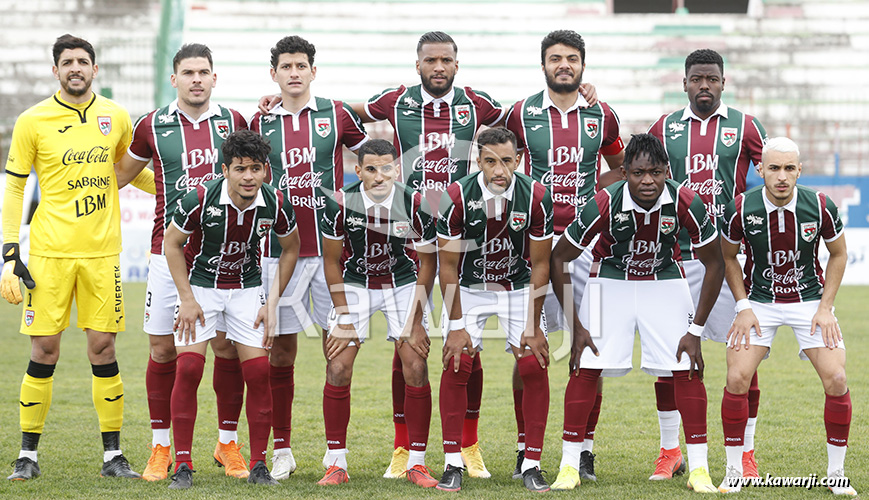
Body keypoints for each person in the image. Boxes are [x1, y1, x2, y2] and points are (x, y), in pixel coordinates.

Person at [1, 34, 145, 481]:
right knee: (45, 350)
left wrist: (177, 189)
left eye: (83, 61)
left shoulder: (117, 117)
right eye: (68, 62)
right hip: (48, 255)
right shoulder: (32, 120)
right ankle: (28, 456)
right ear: (56, 70)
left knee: (103, 349)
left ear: (95, 69)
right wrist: (10, 252)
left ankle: (113, 456)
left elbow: (130, 173)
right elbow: (15, 185)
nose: (76, 68)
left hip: (103, 255)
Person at [550, 133, 723, 493]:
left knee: (686, 366)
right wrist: (575, 325)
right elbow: (559, 257)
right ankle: (568, 466)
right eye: (640, 172)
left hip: (664, 280)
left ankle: (700, 469)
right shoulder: (603, 203)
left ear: (667, 172)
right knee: (585, 366)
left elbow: (715, 263)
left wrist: (697, 329)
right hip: (611, 279)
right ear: (624, 171)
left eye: (657, 173)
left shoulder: (686, 201)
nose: (648, 181)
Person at [114, 43, 251, 481]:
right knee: (162, 349)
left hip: (223, 254)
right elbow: (119, 174)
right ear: (174, 79)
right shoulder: (151, 125)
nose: (196, 79)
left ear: (214, 78)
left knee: (227, 348)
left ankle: (227, 442)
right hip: (165, 252)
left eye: (204, 72)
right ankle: (160, 448)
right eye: (188, 72)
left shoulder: (235, 122)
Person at [505, 29, 624, 487]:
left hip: (586, 246)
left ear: (582, 66)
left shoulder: (602, 113)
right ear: (543, 65)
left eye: (572, 58)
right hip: (532, 243)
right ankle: (523, 448)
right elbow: (494, 155)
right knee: (526, 352)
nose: (564, 65)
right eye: (555, 58)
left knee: (586, 346)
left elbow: (621, 165)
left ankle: (585, 449)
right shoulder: (520, 112)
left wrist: (599, 196)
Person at [249, 35, 369, 480]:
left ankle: (336, 457)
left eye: (302, 65)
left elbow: (374, 155)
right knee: (280, 355)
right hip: (278, 255)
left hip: (332, 256)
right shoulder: (259, 123)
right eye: (286, 66)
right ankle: (283, 449)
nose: (294, 72)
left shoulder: (336, 114)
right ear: (274, 74)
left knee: (338, 355)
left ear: (313, 71)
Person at [647, 48, 768, 481]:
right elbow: (644, 178)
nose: (704, 86)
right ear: (684, 83)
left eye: (711, 79)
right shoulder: (664, 128)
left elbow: (773, 177)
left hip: (728, 257)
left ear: (723, 82)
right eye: (696, 79)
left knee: (743, 358)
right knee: (669, 357)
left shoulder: (746, 126)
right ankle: (669, 451)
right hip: (677, 257)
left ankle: (746, 454)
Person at [716, 137, 856, 496]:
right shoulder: (740, 208)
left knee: (837, 378)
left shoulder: (820, 206)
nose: (781, 176)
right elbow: (728, 258)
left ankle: (836, 474)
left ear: (799, 171)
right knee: (736, 378)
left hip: (809, 301)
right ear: (760, 169)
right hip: (759, 301)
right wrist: (743, 306)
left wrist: (825, 308)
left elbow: (838, 255)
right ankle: (734, 470)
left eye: (789, 168)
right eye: (774, 168)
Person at [162, 129, 299, 489]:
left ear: (265, 171)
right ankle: (183, 465)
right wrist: (187, 298)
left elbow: (291, 248)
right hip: (202, 289)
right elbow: (171, 245)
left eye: (256, 168)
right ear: (226, 170)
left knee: (257, 373)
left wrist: (272, 301)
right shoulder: (199, 198)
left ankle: (257, 465)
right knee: (189, 368)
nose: (249, 176)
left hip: (246, 290)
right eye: (240, 169)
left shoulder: (276, 202)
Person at [435, 127, 553, 493]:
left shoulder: (535, 195)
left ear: (518, 160)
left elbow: (541, 264)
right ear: (479, 161)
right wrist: (456, 325)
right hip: (469, 287)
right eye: (490, 161)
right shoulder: (454, 197)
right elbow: (448, 267)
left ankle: (531, 462)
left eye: (506, 161)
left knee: (533, 361)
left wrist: (533, 325)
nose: (498, 169)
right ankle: (453, 462)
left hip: (517, 287)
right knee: (458, 361)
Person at [316, 139, 438, 487]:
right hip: (355, 284)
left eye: (386, 168)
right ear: (358, 171)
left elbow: (427, 262)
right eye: (371, 168)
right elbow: (331, 261)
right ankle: (336, 463)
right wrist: (342, 317)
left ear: (396, 169)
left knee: (415, 364)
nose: (379, 175)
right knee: (338, 364)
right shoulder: (339, 203)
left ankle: (416, 462)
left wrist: (415, 321)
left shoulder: (416, 203)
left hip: (402, 284)